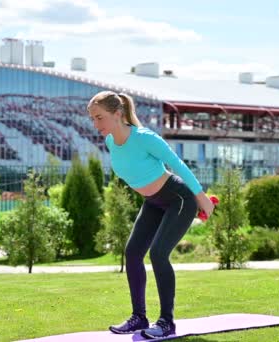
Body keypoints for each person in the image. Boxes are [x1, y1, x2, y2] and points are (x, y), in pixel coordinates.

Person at [87, 91, 216, 339]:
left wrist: (201, 199)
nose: (96, 124)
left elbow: (177, 164)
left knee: (158, 253)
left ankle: (167, 322)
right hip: (154, 202)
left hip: (177, 198)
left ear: (117, 114)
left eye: (99, 117)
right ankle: (139, 318)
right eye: (93, 118)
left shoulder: (145, 138)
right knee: (133, 252)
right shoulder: (111, 142)